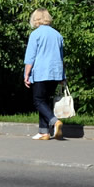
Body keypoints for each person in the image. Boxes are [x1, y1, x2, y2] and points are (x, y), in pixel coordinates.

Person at [23, 8, 65, 140]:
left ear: (36, 19)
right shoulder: (57, 35)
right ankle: (44, 132)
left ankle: (54, 121)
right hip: (55, 72)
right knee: (45, 101)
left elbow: (30, 57)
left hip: (41, 72)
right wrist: (63, 76)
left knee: (38, 100)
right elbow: (61, 56)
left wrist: (26, 74)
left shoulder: (36, 34)